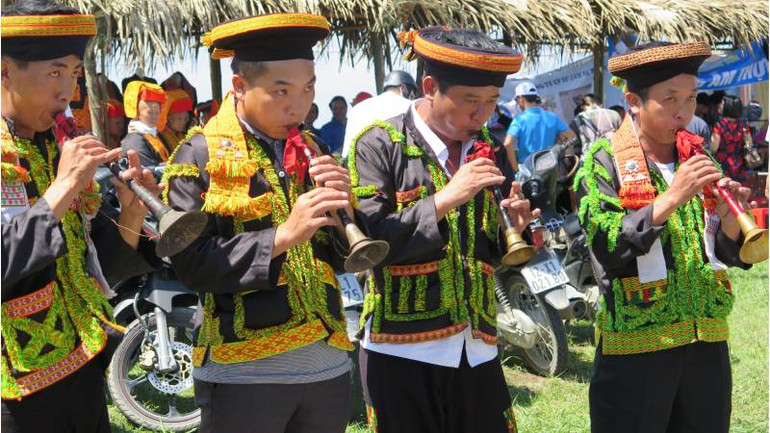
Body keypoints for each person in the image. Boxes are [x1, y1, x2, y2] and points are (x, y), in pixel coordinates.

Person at [163, 13, 355, 433]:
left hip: (327, 363)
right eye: (281, 92)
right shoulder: (197, 156)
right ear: (240, 87)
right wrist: (284, 236)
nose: (299, 106)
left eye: (308, 90)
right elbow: (191, 265)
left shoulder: (314, 146)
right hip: (243, 373)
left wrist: (347, 215)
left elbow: (340, 261)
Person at [348, 26, 539, 433]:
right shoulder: (379, 144)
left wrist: (515, 228)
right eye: (471, 101)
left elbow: (484, 251)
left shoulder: (486, 146)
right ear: (430, 86)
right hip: (401, 348)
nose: (481, 115)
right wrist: (445, 199)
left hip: (478, 344)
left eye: (491, 102)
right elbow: (370, 242)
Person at [574, 41, 753, 433]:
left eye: (690, 99)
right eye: (669, 99)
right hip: (637, 352)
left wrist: (728, 220)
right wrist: (671, 197)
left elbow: (719, 252)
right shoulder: (604, 160)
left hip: (705, 342)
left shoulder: (697, 155)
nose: (683, 112)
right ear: (633, 102)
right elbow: (608, 245)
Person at [0, 2, 159, 431]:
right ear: (4, 71)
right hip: (11, 395)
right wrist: (62, 188)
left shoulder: (53, 150)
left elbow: (92, 271)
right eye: (55, 72)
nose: (68, 92)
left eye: (73, 74)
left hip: (80, 368)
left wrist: (130, 212)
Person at [342, 70, 418, 158]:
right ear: (402, 89)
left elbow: (346, 153)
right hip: (393, 165)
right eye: (412, 95)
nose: (412, 98)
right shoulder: (410, 106)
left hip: (359, 165)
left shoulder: (357, 109)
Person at [503, 81, 575, 171]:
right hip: (551, 169)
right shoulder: (552, 117)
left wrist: (516, 168)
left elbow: (507, 144)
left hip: (529, 170)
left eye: (516, 100)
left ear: (521, 99)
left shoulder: (519, 120)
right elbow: (571, 136)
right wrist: (564, 154)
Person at [120, 81, 169, 167]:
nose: (154, 117)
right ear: (138, 113)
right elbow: (147, 169)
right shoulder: (135, 139)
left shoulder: (154, 135)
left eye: (157, 113)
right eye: (150, 113)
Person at [711, 95, 749, 186]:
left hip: (723, 164)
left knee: (725, 192)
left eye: (722, 104)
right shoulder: (743, 125)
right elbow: (748, 143)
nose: (720, 105)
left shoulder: (720, 125)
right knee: (739, 191)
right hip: (739, 164)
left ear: (728, 107)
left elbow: (713, 148)